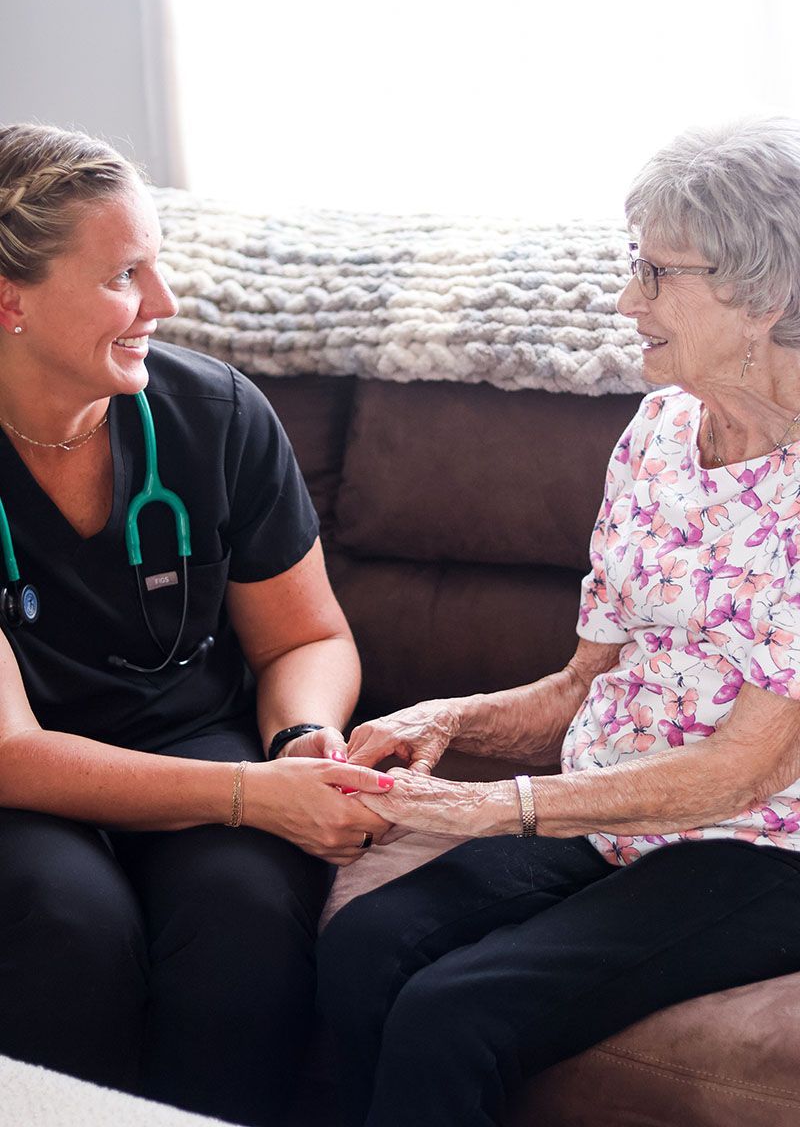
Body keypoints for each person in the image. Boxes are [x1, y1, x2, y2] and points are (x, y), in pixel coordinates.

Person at [317, 118, 800, 1127]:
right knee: (364, 944)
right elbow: (582, 686)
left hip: (756, 847)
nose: (627, 301)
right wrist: (450, 720)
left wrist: (498, 806)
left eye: (657, 274)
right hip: (603, 814)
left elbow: (748, 769)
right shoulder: (658, 431)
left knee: (456, 1016)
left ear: (763, 296)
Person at [0, 123, 395, 1127]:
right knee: (65, 926)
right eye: (125, 274)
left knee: (247, 918)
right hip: (24, 787)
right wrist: (250, 796)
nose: (164, 305)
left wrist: (299, 743)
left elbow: (304, 639)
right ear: (10, 302)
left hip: (187, 732)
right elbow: (11, 752)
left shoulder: (212, 416)